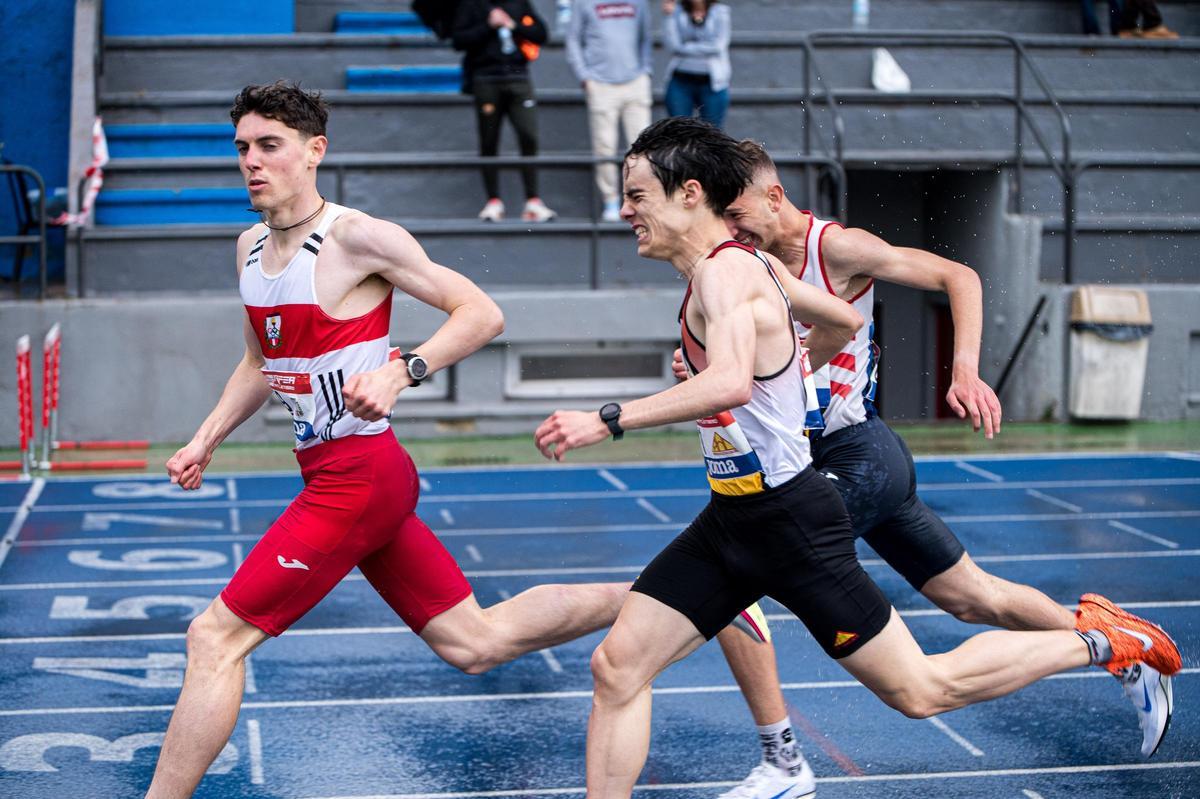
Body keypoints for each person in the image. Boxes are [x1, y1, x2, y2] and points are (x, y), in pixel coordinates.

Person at [532, 117, 1182, 799]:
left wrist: (606, 418)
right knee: (618, 666)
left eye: (637, 195)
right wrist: (782, 381)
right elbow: (841, 323)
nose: (626, 211)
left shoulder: (731, 274)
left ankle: (1105, 643)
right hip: (733, 522)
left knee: (923, 688)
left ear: (689, 194)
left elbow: (727, 382)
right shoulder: (745, 269)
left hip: (791, 521)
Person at [143, 81, 629, 798]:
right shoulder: (247, 248)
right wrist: (206, 437)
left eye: (269, 146)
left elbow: (481, 312)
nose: (251, 161)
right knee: (476, 641)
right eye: (242, 147)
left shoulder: (357, 238)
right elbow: (259, 359)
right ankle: (668, 593)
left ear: (314, 153)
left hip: (360, 474)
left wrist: (404, 370)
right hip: (333, 474)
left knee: (214, 637)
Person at [709, 140, 1178, 798]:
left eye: (737, 214)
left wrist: (963, 368)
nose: (731, 231)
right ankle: (1115, 644)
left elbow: (961, 276)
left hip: (858, 454)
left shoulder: (836, 248)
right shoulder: (746, 264)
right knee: (973, 598)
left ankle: (782, 759)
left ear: (774, 197)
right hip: (817, 459)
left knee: (743, 569)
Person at [451, 1, 557, 222]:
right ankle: (493, 201)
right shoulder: (471, 5)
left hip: (518, 76)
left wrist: (512, 24)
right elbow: (459, 40)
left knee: (529, 136)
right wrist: (488, 25)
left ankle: (533, 201)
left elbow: (541, 34)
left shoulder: (518, 2)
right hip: (486, 78)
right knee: (489, 140)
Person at [565, 0, 653, 222]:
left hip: (635, 81)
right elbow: (573, 39)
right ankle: (611, 200)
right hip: (600, 84)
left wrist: (645, 70)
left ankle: (640, 199)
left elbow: (646, 37)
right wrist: (585, 76)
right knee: (604, 147)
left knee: (642, 147)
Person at [662, 0, 732, 129]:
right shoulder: (676, 11)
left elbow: (717, 46)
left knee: (713, 135)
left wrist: (685, 47)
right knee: (678, 131)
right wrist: (669, 16)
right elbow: (673, 45)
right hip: (681, 81)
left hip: (713, 83)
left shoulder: (720, 12)